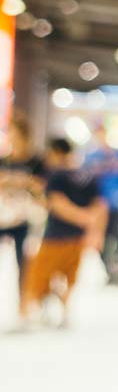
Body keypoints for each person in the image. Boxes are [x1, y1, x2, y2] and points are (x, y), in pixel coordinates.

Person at [20, 138, 106, 329]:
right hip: (78, 237)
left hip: (55, 236)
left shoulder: (57, 176)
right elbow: (100, 205)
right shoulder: (88, 174)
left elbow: (57, 204)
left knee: (38, 275)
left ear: (56, 153)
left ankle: (28, 316)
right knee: (68, 276)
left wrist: (82, 218)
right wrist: (93, 227)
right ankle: (64, 313)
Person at [0, 115, 44, 301]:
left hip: (27, 217)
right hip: (4, 215)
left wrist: (26, 182)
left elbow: (43, 187)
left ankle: (25, 301)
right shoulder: (4, 160)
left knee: (25, 262)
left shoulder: (36, 161)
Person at [84, 125, 118, 286]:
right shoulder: (91, 157)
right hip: (97, 205)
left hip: (114, 205)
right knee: (100, 241)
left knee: (115, 238)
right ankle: (109, 270)